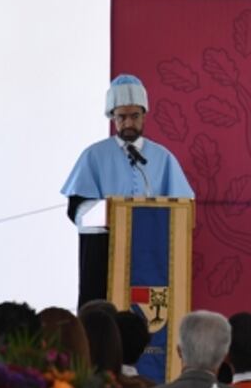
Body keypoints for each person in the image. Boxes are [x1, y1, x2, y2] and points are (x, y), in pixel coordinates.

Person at [60, 75, 195, 307]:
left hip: (150, 254)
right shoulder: (93, 156)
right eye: (122, 117)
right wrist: (113, 213)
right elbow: (77, 210)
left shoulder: (163, 158)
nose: (129, 123)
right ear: (113, 117)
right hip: (104, 255)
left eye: (135, 116)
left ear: (144, 115)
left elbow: (184, 211)